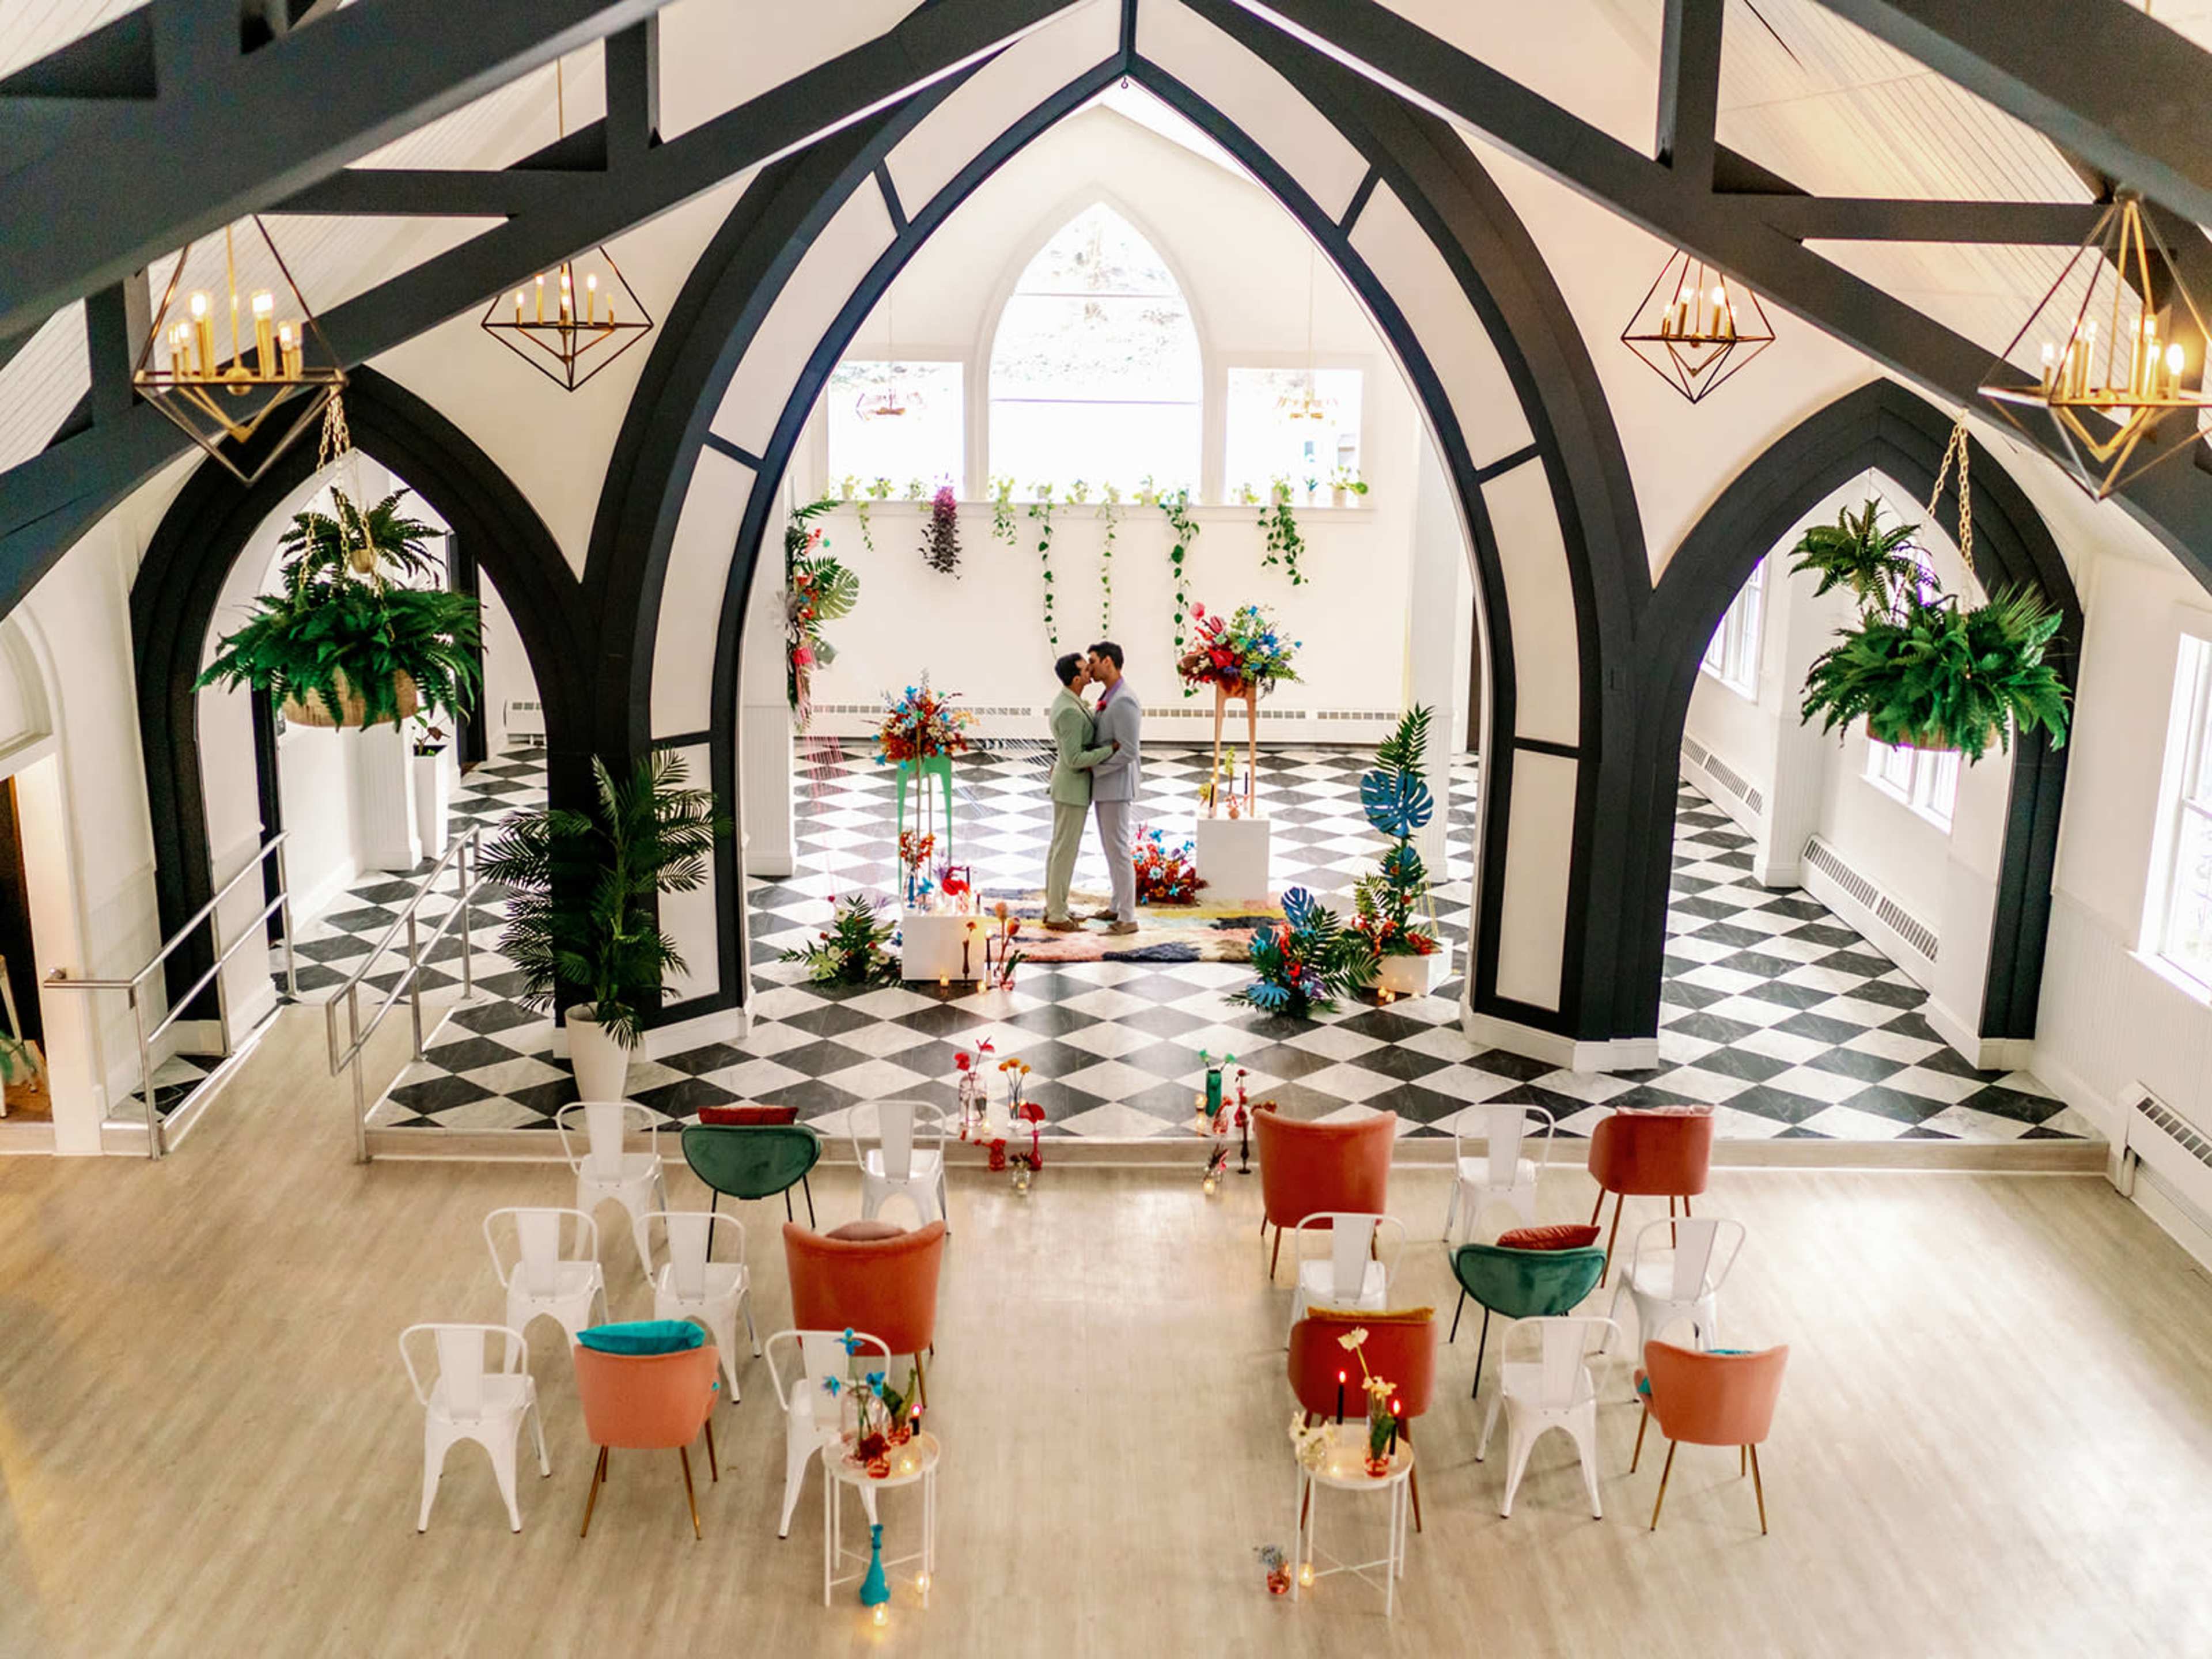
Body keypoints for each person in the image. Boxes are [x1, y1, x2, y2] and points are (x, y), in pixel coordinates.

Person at [1043, 652, 1115, 931]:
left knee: (1060, 850)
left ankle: (1056, 907)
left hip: (1069, 787)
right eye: (1086, 671)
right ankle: (1057, 914)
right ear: (1076, 679)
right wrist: (1109, 750)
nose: (1090, 673)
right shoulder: (1070, 710)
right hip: (1071, 788)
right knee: (1065, 852)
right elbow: (1074, 759)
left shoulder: (1068, 701)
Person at [1085, 639, 1142, 935]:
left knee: (1118, 849)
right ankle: (1117, 905)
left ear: (1109, 661)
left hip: (1116, 785)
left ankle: (1128, 918)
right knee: (1111, 848)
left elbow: (1129, 750)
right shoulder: (1109, 695)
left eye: (1093, 661)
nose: (1090, 667)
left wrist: (1096, 768)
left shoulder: (1124, 700)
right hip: (1107, 785)